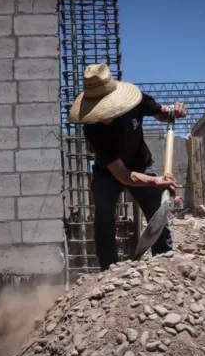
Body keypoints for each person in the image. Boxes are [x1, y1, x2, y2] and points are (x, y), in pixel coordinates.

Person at [68, 63, 187, 271]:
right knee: (104, 220)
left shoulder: (135, 101)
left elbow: (161, 113)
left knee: (156, 212)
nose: (103, 115)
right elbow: (122, 174)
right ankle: (109, 271)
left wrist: (174, 111)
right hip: (109, 173)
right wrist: (155, 181)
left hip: (141, 164)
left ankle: (165, 265)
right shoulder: (93, 130)